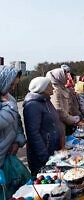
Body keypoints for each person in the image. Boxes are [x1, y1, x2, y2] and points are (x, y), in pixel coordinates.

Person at [23, 77, 63, 175]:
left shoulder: (46, 101)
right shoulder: (32, 105)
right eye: (50, 86)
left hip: (52, 150)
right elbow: (33, 134)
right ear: (42, 88)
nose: (53, 88)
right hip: (42, 156)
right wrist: (45, 157)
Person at [0, 65, 28, 198]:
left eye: (14, 85)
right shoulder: (9, 102)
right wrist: (10, 107)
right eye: (11, 84)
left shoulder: (9, 98)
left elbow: (17, 122)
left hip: (8, 157)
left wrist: (18, 140)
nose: (12, 88)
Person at [46, 68, 83, 143]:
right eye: (65, 75)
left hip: (67, 122)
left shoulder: (62, 88)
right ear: (60, 76)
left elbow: (69, 106)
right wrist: (74, 120)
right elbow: (59, 111)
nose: (67, 77)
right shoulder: (56, 90)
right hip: (61, 125)